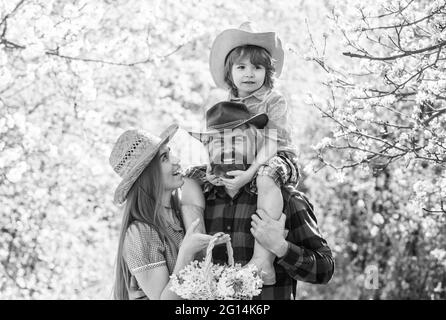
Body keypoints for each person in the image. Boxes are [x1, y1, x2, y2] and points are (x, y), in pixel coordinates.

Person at [182, 22, 299, 285]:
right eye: (241, 67)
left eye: (257, 68)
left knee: (266, 177)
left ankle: (262, 259)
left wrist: (248, 174)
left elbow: (270, 145)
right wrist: (213, 170)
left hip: (276, 157)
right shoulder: (226, 104)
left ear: (267, 72)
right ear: (230, 72)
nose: (249, 74)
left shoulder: (273, 100)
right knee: (191, 177)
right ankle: (199, 252)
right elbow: (215, 142)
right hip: (239, 160)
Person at [185, 107, 334, 300]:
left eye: (237, 140)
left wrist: (281, 247)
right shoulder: (198, 200)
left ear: (255, 145)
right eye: (217, 141)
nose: (226, 148)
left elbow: (325, 269)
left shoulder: (286, 199)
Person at [109, 124, 229, 300]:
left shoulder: (182, 212)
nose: (176, 159)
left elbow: (196, 174)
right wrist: (186, 253)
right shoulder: (141, 233)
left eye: (169, 152)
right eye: (164, 158)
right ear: (146, 176)